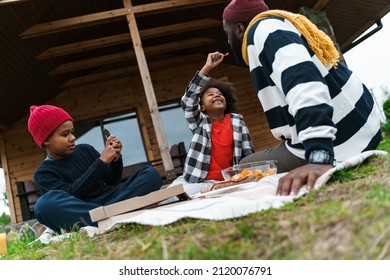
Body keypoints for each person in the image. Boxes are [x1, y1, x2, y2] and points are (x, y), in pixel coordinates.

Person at [222, 0, 382, 196]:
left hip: (343, 141)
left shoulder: (262, 30)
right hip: (362, 127)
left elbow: (305, 84)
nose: (228, 41)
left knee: (244, 166)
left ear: (239, 29)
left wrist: (319, 157)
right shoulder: (277, 25)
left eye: (226, 33)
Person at [28, 105, 162, 233]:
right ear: (46, 141)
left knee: (150, 173)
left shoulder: (85, 149)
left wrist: (115, 158)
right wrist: (101, 162)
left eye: (73, 132)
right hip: (83, 209)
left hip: (111, 198)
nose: (73, 138)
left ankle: (108, 215)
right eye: (65, 134)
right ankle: (119, 210)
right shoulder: (43, 173)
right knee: (43, 205)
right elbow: (72, 194)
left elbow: (112, 181)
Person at [167, 52, 255, 197]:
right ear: (202, 107)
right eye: (210, 95)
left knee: (188, 195)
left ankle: (213, 191)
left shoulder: (237, 121)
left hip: (226, 180)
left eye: (220, 94)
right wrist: (207, 67)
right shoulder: (200, 123)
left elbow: (248, 152)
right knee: (167, 197)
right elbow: (188, 101)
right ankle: (207, 192)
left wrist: (246, 176)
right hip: (194, 181)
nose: (217, 95)